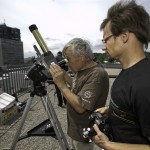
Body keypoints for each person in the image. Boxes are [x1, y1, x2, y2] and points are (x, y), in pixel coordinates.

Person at [92, 0, 150, 150]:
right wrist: (112, 111)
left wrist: (108, 145)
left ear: (124, 36)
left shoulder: (144, 85)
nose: (104, 46)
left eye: (106, 39)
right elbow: (134, 108)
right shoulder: (128, 72)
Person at [50, 38, 109, 150]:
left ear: (81, 57)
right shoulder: (81, 70)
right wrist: (64, 76)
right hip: (77, 129)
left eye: (68, 58)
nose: (67, 62)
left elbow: (81, 106)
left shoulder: (96, 74)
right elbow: (78, 87)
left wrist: (61, 84)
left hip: (85, 132)